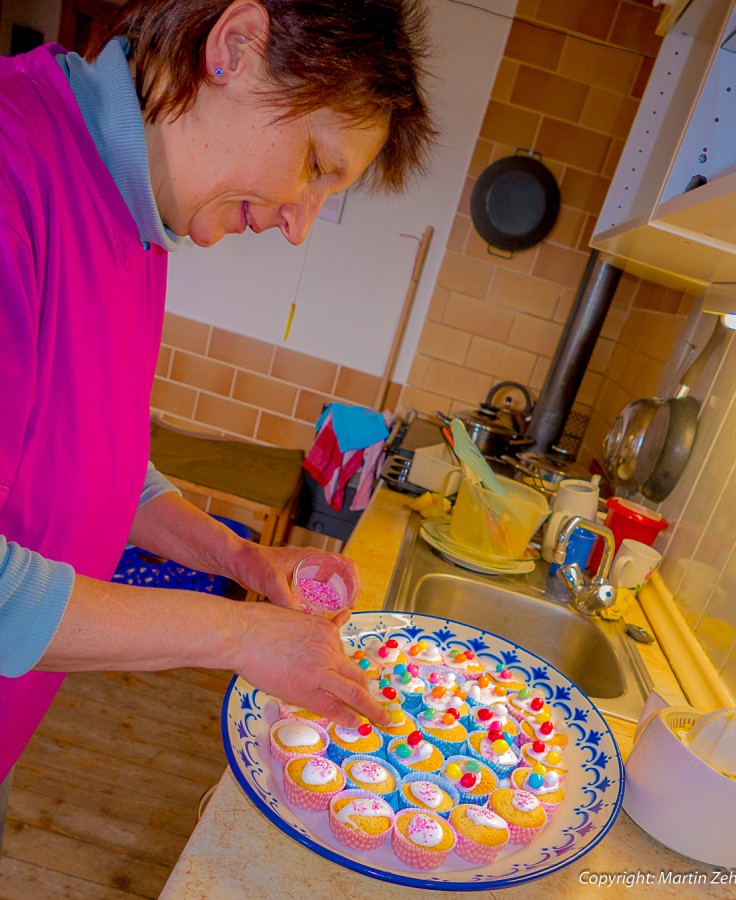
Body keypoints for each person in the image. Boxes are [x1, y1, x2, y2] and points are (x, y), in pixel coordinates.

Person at [0, 0, 434, 814]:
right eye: (314, 163)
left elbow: (100, 462)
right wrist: (235, 634)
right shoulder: (11, 173)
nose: (299, 226)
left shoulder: (142, 217)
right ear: (234, 45)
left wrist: (238, 561)